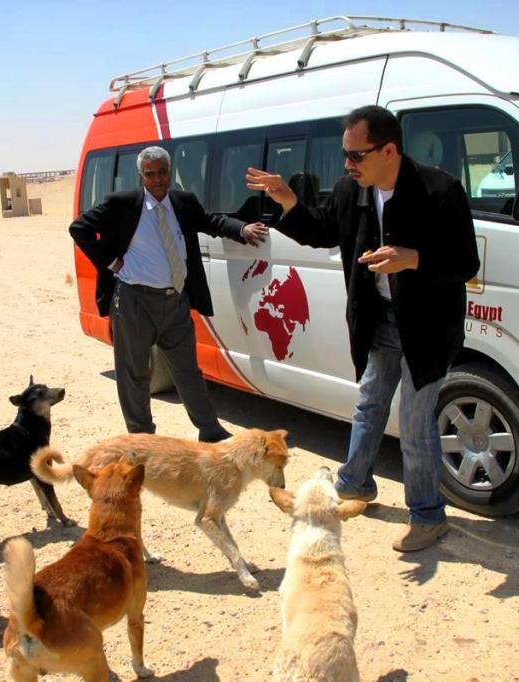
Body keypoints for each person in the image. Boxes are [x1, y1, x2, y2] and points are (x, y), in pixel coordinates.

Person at [246, 105, 480, 551]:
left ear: (389, 150)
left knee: (415, 424)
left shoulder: (439, 190)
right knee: (370, 404)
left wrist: (412, 259)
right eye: (345, 155)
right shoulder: (350, 190)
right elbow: (322, 231)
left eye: (357, 155)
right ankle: (355, 484)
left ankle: (428, 516)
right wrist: (289, 201)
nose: (348, 164)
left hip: (427, 327)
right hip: (379, 319)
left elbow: (465, 262)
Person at [71, 146, 268, 442]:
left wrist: (241, 229)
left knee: (188, 370)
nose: (157, 179)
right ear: (141, 175)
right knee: (135, 374)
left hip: (175, 301)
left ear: (169, 171)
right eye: (150, 174)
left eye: (162, 172)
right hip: (134, 302)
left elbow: (211, 221)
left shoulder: (182, 202)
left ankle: (210, 431)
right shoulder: (122, 203)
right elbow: (79, 228)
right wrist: (112, 263)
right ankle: (143, 438)